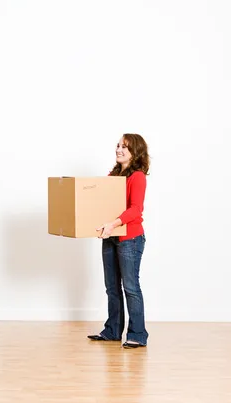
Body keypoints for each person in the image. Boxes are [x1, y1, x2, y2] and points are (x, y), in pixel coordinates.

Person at [89, 133, 150, 349]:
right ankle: (113, 331)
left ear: (136, 152)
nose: (119, 149)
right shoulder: (113, 176)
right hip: (111, 237)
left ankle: (137, 334)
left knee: (131, 287)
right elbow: (104, 203)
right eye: (118, 145)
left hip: (130, 239)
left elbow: (135, 210)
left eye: (125, 147)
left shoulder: (138, 177)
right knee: (111, 287)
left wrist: (113, 224)